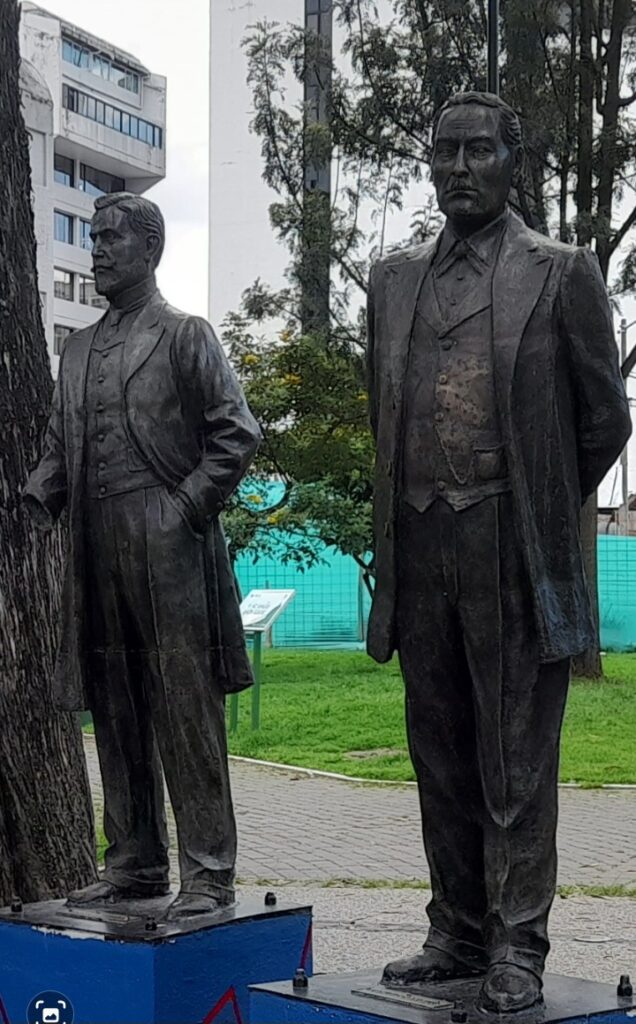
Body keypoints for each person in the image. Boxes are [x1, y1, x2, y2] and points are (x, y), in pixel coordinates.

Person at [366, 92, 631, 1013]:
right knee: (438, 749)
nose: (458, 167)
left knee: (516, 760)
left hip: (511, 545)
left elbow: (605, 419)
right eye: (445, 151)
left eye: (479, 150)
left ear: (515, 161)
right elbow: (382, 412)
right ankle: (455, 931)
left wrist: (537, 502)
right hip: (419, 540)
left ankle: (518, 943)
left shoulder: (561, 272)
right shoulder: (391, 280)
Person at [24, 192, 261, 920]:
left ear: (150, 249)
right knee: (115, 702)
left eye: (110, 239)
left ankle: (209, 871)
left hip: (169, 546)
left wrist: (184, 507)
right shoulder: (78, 349)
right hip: (95, 543)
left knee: (185, 707)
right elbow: (63, 442)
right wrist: (38, 492)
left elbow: (236, 433)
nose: (96, 250)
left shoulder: (185, 335)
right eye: (93, 238)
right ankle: (132, 861)